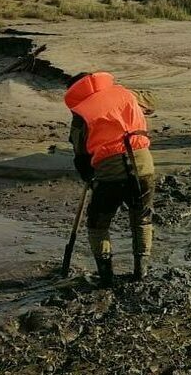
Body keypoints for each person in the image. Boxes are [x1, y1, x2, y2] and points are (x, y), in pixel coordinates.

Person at [64, 72, 155, 286]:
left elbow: (80, 154)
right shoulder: (125, 93)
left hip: (110, 174)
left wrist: (88, 175)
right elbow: (151, 102)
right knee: (141, 218)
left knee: (98, 223)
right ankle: (140, 272)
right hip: (144, 167)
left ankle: (106, 277)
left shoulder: (81, 115)